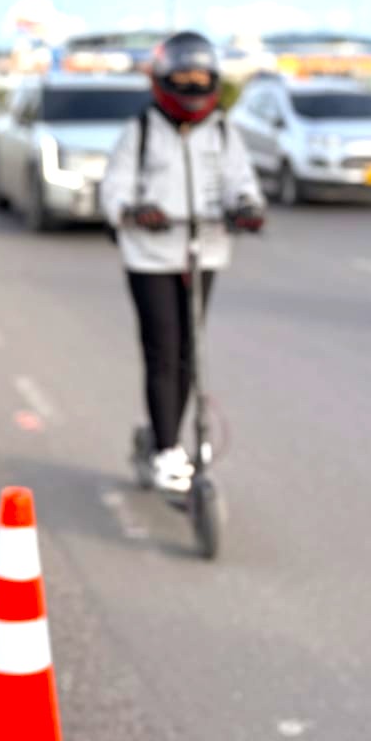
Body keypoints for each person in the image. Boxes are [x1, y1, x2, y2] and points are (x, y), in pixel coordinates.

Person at [101, 31, 265, 493]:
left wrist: (247, 208)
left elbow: (242, 183)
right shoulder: (141, 131)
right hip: (150, 255)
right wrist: (134, 211)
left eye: (200, 78)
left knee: (190, 352)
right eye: (183, 78)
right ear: (163, 80)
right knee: (163, 350)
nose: (192, 86)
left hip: (204, 250)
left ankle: (173, 436)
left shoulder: (223, 132)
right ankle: (166, 449)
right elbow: (114, 188)